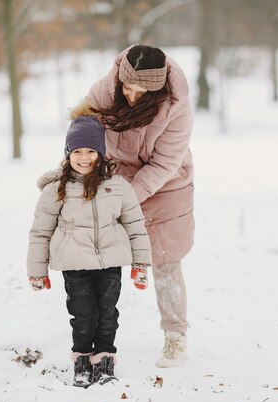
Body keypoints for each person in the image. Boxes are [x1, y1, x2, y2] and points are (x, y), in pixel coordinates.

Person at [85, 44, 194, 368]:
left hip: (166, 183)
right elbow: (83, 135)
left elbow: (163, 165)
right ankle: (94, 339)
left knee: (165, 260)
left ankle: (175, 337)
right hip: (116, 176)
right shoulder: (105, 90)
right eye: (128, 88)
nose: (132, 96)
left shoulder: (177, 108)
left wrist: (126, 199)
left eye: (142, 92)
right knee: (99, 258)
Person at [26, 109, 152, 388]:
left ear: (101, 154)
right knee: (83, 316)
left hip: (111, 263)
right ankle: (82, 362)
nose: (84, 158)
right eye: (77, 151)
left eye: (91, 151)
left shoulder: (118, 186)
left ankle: (105, 361)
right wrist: (37, 271)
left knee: (108, 314)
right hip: (74, 265)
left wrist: (141, 264)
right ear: (68, 154)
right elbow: (40, 232)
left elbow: (135, 224)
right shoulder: (56, 190)